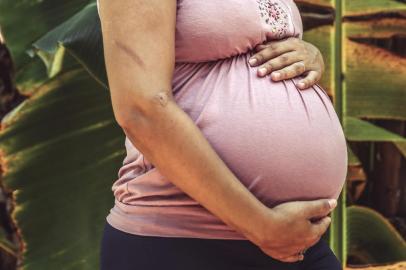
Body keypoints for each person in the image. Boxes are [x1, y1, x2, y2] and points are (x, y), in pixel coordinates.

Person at [97, 0, 348, 269]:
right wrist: (260, 225)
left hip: (295, 242)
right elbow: (140, 109)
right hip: (184, 240)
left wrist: (309, 54)